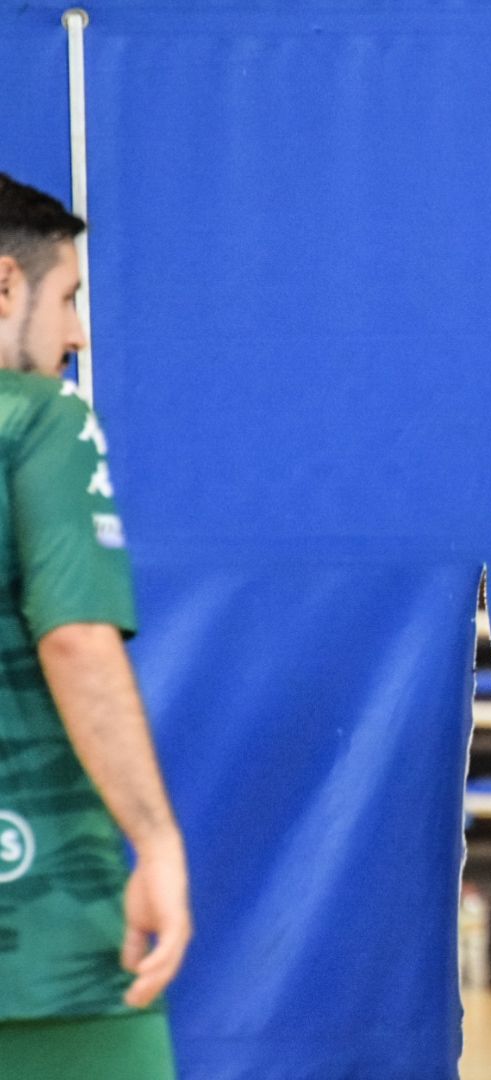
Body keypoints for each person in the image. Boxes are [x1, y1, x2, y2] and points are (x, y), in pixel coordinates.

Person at [0, 174, 190, 1076]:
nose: (77, 333)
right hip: (38, 940)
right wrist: (154, 842)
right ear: (4, 286)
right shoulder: (42, 420)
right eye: (68, 297)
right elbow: (75, 637)